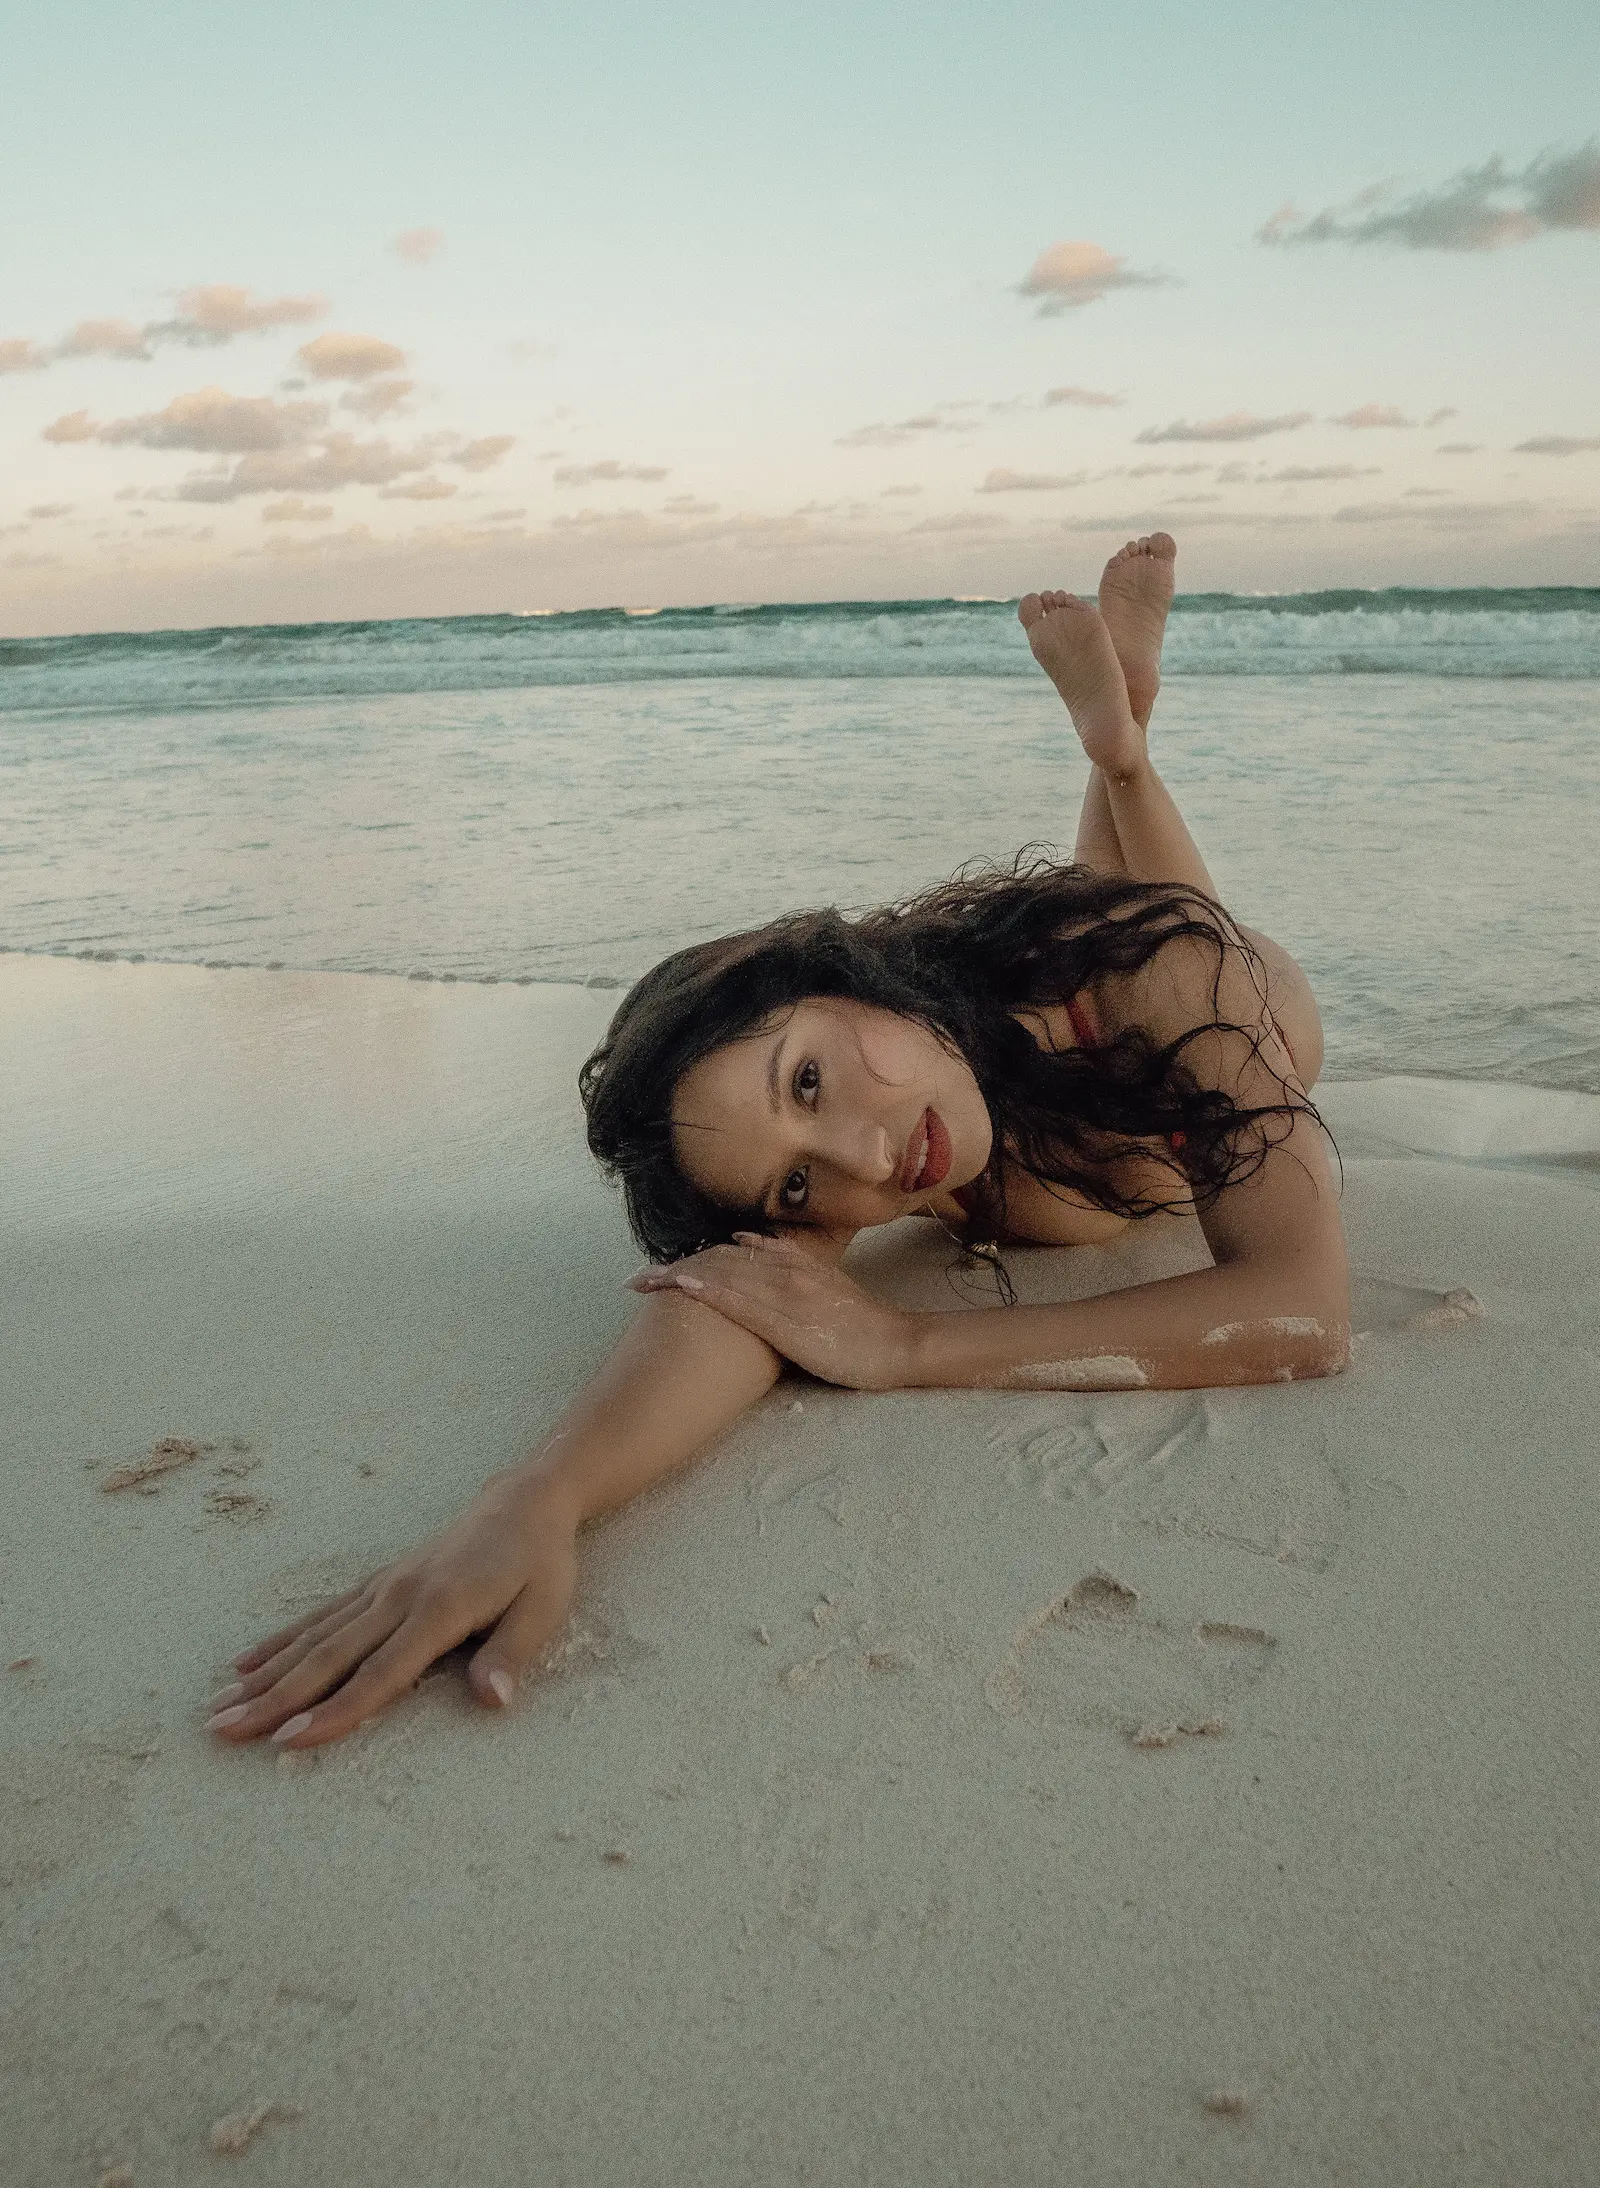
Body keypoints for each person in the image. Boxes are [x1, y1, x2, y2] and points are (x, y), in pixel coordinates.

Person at [208, 534, 1347, 1754]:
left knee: (1159, 931)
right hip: (1058, 1044)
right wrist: (539, 1497)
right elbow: (743, 1293)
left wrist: (907, 1344)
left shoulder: (1165, 979)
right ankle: (1120, 733)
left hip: (1223, 1002)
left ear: (846, 978)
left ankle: (1123, 747)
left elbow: (1301, 1308)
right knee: (1094, 956)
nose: (864, 1155)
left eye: (805, 1075)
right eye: (798, 1177)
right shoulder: (879, 1146)